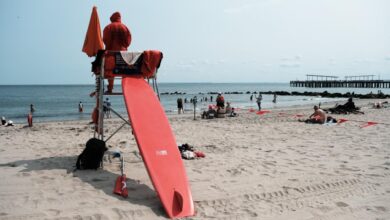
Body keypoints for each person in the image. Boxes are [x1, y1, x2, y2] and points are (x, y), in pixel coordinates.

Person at [103, 11, 132, 93]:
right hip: (123, 56)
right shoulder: (125, 27)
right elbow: (128, 41)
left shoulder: (108, 27)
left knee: (109, 71)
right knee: (124, 72)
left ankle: (110, 88)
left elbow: (105, 40)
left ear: (112, 18)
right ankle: (126, 90)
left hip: (111, 55)